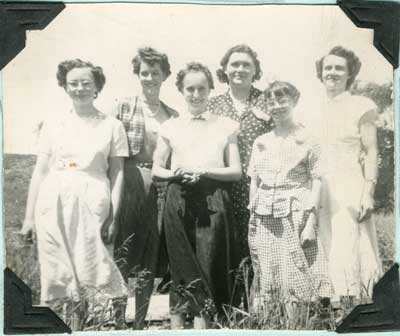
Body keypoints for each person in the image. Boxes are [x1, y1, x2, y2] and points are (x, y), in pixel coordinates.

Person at [20, 59, 128, 330]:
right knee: (59, 271)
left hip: (94, 200)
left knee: (94, 266)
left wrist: (114, 216)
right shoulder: (53, 123)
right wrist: (29, 218)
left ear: (97, 87)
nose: (79, 88)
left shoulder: (112, 125)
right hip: (53, 201)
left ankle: (97, 328)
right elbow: (40, 170)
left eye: (86, 83)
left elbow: (117, 174)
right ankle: (68, 328)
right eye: (73, 83)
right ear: (65, 87)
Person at [152, 62, 242, 329]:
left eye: (202, 88)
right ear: (181, 90)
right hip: (178, 196)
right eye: (189, 88)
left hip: (213, 196)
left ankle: (203, 328)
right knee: (180, 264)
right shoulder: (170, 126)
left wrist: (205, 171)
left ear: (210, 89)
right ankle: (178, 328)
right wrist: (174, 174)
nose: (196, 94)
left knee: (208, 262)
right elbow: (158, 167)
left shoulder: (226, 125)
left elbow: (236, 171)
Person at [248, 81, 332, 315]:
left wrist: (311, 222)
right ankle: (275, 324)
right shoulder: (261, 142)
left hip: (296, 214)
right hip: (265, 216)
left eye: (282, 100)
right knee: (269, 273)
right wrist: (252, 214)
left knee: (298, 273)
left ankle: (302, 324)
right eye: (271, 101)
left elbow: (317, 180)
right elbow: (254, 180)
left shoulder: (309, 139)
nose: (276, 106)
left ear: (294, 101)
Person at [112, 47, 178, 329]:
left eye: (155, 72)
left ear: (165, 75)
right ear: (137, 75)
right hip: (129, 184)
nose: (149, 78)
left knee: (149, 256)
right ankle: (115, 320)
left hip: (160, 187)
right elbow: (109, 149)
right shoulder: (124, 106)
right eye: (144, 72)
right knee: (122, 253)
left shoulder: (173, 115)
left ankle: (139, 323)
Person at [315, 46, 382, 303]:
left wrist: (369, 192)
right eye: (328, 67)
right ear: (320, 72)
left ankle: (353, 306)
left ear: (350, 73)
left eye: (339, 68)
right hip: (319, 185)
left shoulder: (361, 105)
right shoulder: (310, 107)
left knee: (349, 243)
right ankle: (328, 307)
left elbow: (372, 150)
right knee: (324, 243)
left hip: (349, 183)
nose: (332, 72)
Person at [208, 44, 273, 262]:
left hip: (261, 187)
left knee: (260, 246)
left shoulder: (268, 101)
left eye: (247, 65)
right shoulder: (212, 105)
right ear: (225, 69)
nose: (240, 69)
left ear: (255, 70)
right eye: (234, 64)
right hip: (222, 187)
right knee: (226, 247)